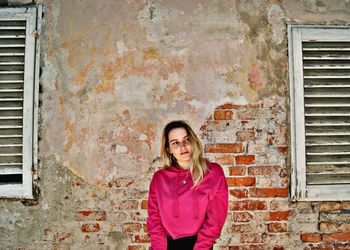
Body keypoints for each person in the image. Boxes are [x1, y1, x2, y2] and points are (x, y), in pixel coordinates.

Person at [147, 120, 229, 250]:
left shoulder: (213, 172)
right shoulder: (159, 178)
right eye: (175, 143)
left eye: (186, 139)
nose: (183, 146)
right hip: (166, 245)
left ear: (193, 141)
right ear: (169, 149)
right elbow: (154, 219)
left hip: (200, 245)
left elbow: (216, 218)